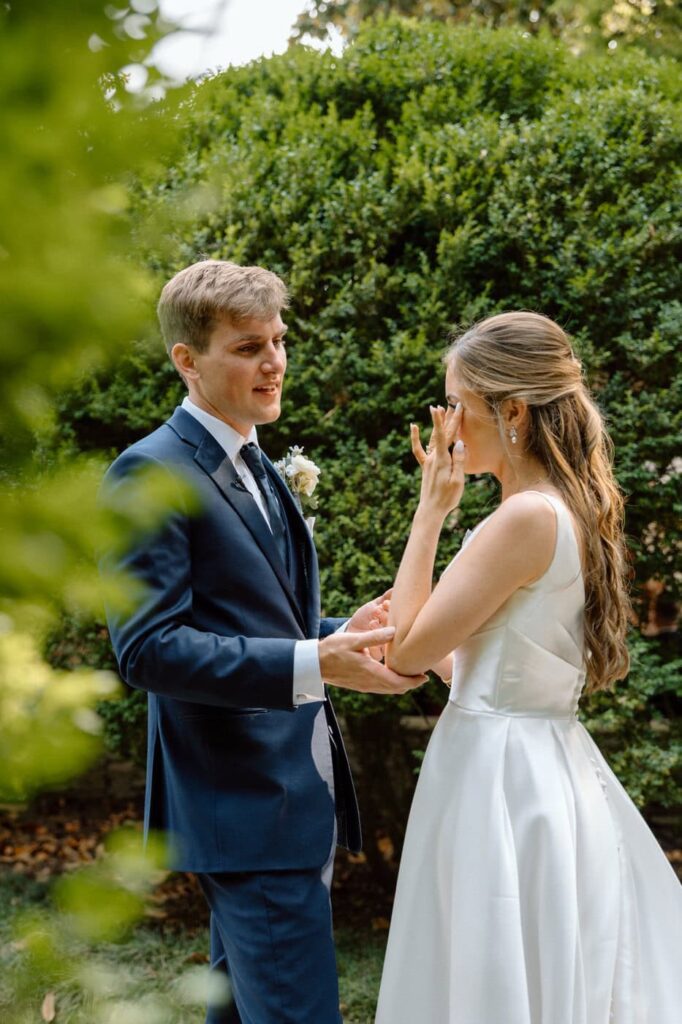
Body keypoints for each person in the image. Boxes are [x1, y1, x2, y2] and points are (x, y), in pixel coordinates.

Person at [99, 259, 424, 1024]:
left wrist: (348, 634)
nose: (274, 362)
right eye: (247, 347)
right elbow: (148, 648)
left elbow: (257, 624)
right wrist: (316, 663)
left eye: (278, 341)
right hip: (243, 802)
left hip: (281, 802)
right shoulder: (150, 473)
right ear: (188, 359)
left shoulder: (254, 461)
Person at [376, 311, 682, 1024]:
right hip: (544, 763)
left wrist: (431, 512)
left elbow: (407, 653)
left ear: (511, 411)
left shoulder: (519, 521)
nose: (449, 423)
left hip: (498, 777)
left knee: (489, 959)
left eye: (459, 403)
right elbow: (493, 665)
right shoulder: (562, 508)